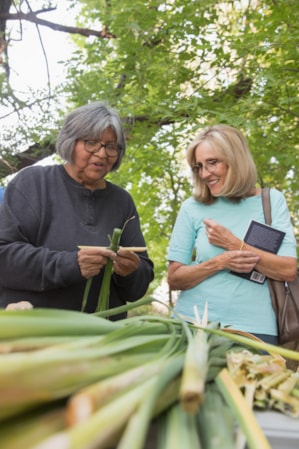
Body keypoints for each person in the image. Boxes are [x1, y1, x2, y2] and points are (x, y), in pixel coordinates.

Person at [0, 101, 154, 319]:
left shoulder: (122, 202)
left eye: (111, 146)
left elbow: (138, 287)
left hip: (103, 338)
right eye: (91, 143)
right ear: (70, 143)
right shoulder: (33, 183)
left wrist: (131, 271)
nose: (102, 154)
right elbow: (4, 258)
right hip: (34, 334)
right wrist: (70, 265)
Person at [167, 124, 297, 344]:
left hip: (255, 330)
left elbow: (287, 269)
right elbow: (174, 278)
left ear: (235, 159)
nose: (205, 173)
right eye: (199, 166)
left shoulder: (272, 201)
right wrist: (220, 262)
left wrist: (234, 244)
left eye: (212, 162)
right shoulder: (192, 207)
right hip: (192, 325)